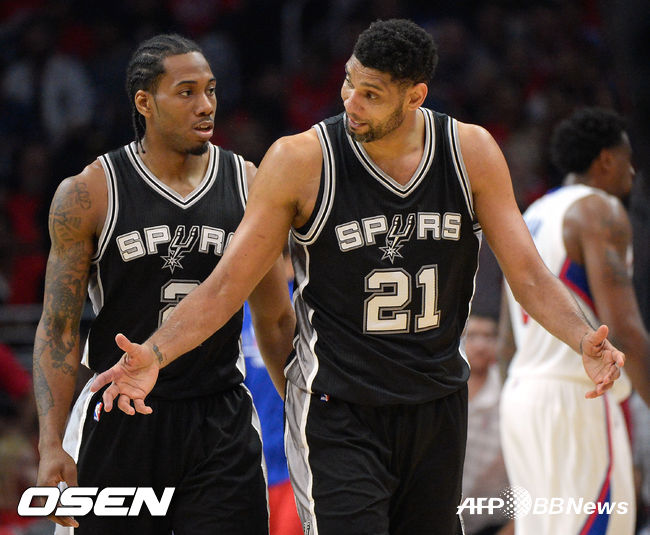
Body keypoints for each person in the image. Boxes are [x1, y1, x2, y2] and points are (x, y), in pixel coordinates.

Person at [92, 20, 625, 534]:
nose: (351, 100)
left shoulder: (470, 152)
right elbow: (228, 282)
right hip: (338, 408)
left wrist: (582, 337)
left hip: (437, 401)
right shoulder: (301, 160)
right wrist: (156, 352)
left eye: (371, 94)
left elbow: (527, 272)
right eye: (349, 81)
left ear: (415, 96)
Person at [32, 33, 295, 535]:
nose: (206, 105)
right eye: (187, 92)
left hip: (218, 415)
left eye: (211, 90)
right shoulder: (90, 193)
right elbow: (59, 328)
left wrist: (305, 421)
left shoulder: (248, 183)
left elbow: (277, 319)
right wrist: (50, 445)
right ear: (144, 102)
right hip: (118, 413)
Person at [499, 107, 650, 535]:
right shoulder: (599, 210)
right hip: (577, 395)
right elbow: (624, 330)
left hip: (521, 396)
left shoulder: (531, 215)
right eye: (626, 159)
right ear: (605, 160)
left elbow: (508, 338)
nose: (632, 171)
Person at [461, 314, 512, 535]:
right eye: (472, 336)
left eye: (489, 336)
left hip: (492, 522)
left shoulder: (509, 394)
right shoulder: (444, 390)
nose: (480, 345)